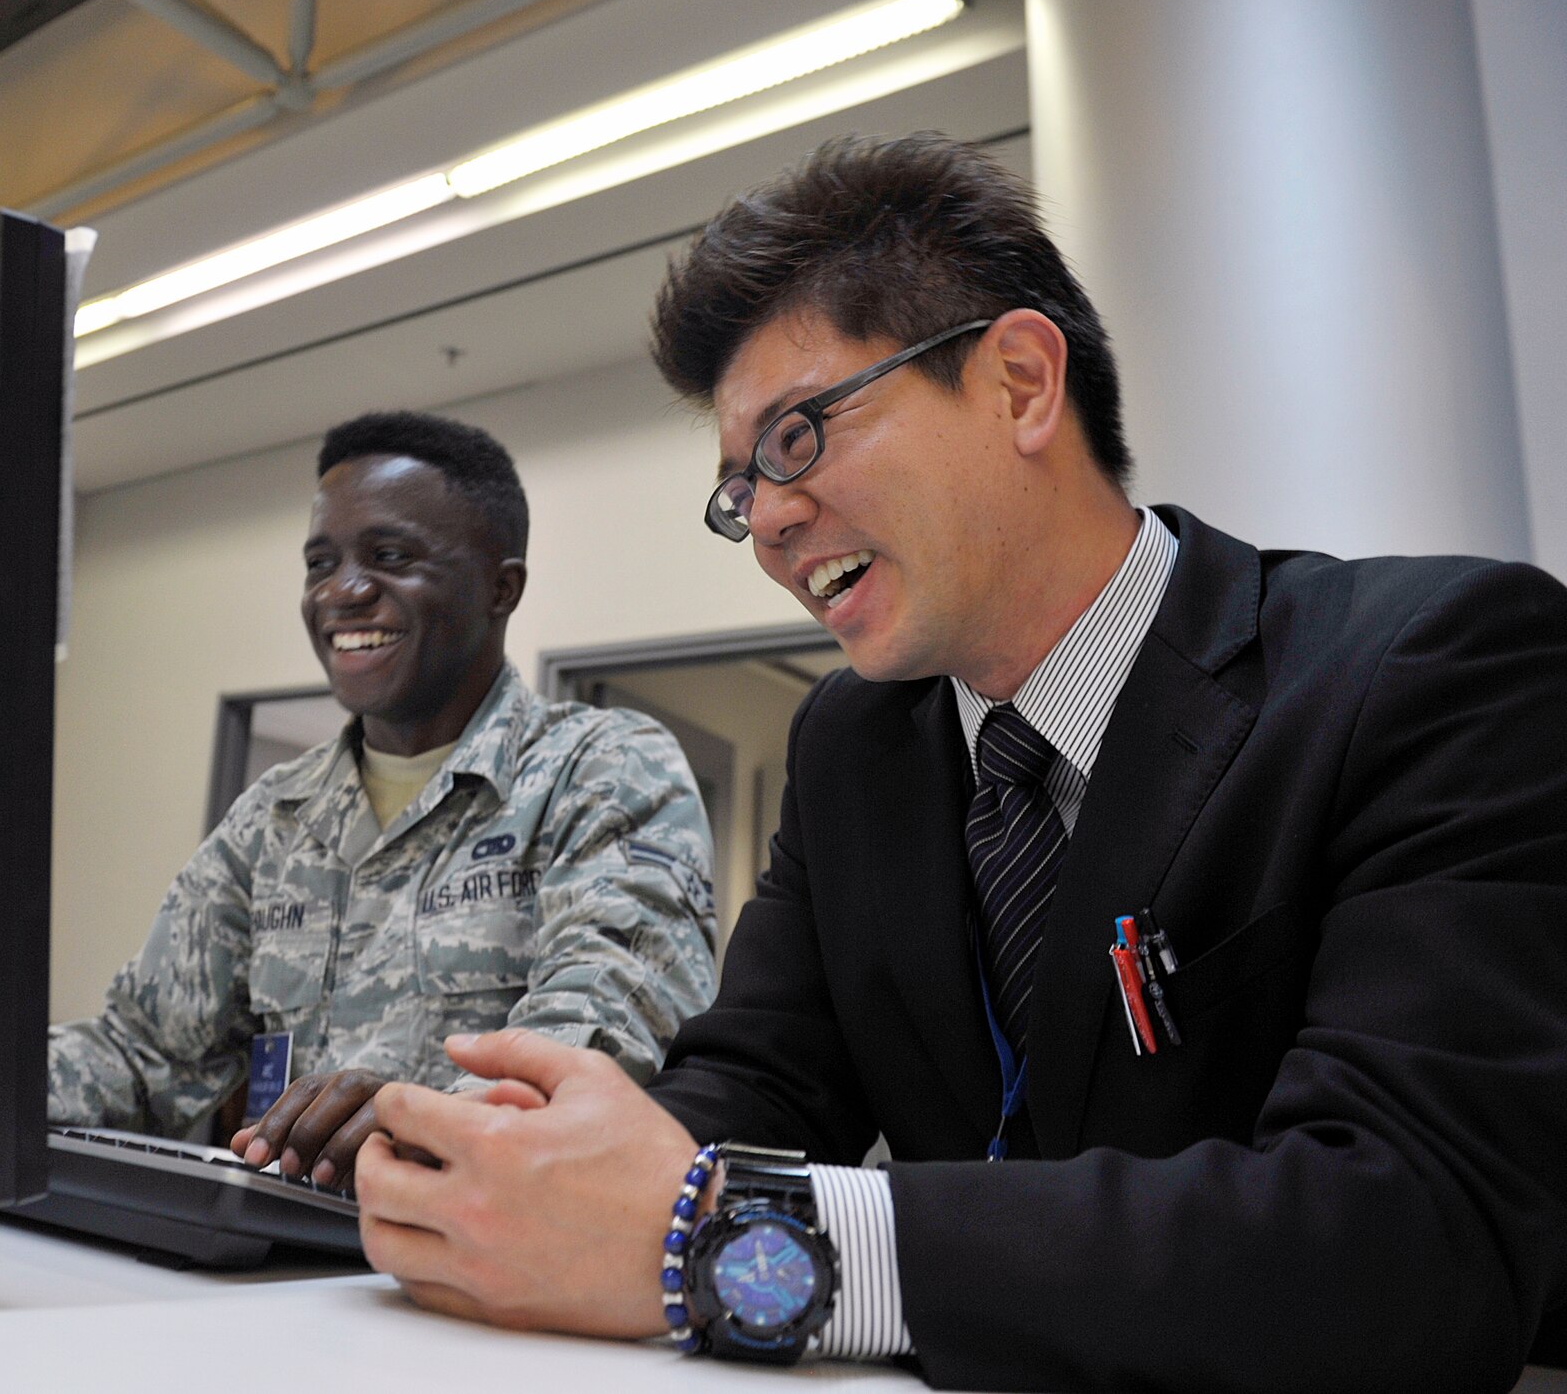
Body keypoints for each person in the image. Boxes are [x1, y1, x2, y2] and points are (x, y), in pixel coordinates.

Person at [352, 135, 1567, 1392]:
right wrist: (527, 1166)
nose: (768, 520)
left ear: (1020, 384)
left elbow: (1414, 1232)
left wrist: (750, 1237)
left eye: (796, 438)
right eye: (738, 488)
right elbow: (762, 1079)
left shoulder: (1429, 669)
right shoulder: (850, 745)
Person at [48, 411, 718, 1191]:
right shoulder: (273, 819)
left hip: (486, 1238)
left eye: (389, 557)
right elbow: (142, 1056)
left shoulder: (602, 768)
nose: (343, 591)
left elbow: (600, 1035)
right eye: (320, 564)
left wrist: (414, 1120)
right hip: (280, 1246)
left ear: (501, 588)